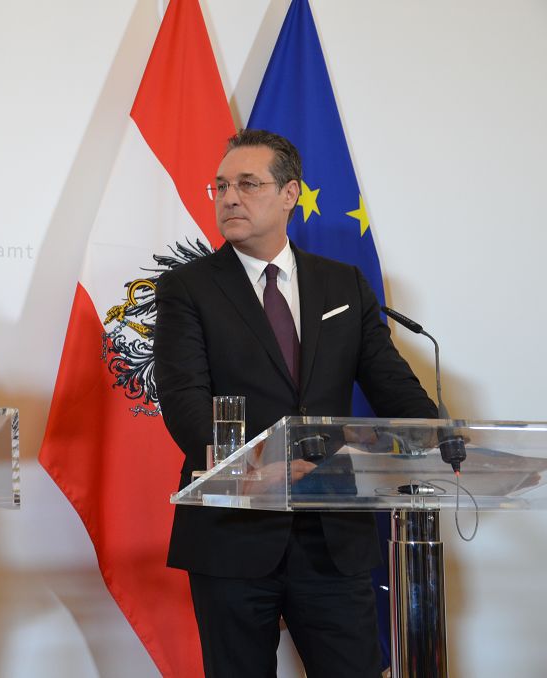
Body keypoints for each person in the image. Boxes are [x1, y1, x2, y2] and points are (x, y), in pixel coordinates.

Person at [153, 129, 438, 678]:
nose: (228, 198)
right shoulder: (187, 289)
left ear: (289, 194)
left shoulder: (343, 285)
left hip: (332, 534)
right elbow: (185, 402)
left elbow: (395, 390)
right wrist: (262, 469)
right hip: (233, 532)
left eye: (247, 184)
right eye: (220, 186)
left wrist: (442, 442)